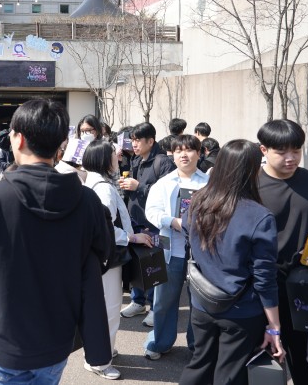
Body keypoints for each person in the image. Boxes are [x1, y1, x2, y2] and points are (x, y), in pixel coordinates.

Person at [0, 99, 113, 384]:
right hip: (57, 341)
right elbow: (102, 258)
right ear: (61, 144)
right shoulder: (88, 201)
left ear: (19, 138)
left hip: (5, 341)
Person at [179, 139, 285, 384]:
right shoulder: (260, 216)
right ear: (252, 170)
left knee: (199, 365)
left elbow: (187, 237)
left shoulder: (197, 202)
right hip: (241, 311)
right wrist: (274, 326)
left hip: (202, 302)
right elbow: (264, 278)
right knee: (229, 375)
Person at [256, 119, 308, 384]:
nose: (291, 158)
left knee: (306, 361)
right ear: (263, 150)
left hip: (303, 286)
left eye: (296, 151)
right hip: (258, 287)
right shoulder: (249, 186)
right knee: (260, 364)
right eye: (282, 151)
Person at [82, 139, 153, 380]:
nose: (118, 155)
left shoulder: (91, 181)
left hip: (98, 257)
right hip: (108, 258)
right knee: (109, 309)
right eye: (114, 153)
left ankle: (102, 350)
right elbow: (106, 229)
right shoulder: (103, 187)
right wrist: (132, 237)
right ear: (104, 158)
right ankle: (100, 361)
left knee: (102, 308)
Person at [143, 135, 209, 360]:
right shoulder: (164, 183)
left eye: (189, 150)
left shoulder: (209, 183)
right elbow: (151, 212)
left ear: (199, 154)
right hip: (167, 246)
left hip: (200, 252)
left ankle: (196, 345)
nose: (184, 155)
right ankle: (160, 342)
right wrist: (172, 221)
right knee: (163, 300)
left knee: (198, 303)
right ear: (172, 155)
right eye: (179, 150)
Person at [119, 122, 175, 324]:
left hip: (155, 224)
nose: (133, 144)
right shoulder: (136, 160)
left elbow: (168, 194)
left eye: (137, 140)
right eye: (132, 140)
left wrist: (139, 186)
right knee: (138, 263)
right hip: (136, 220)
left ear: (150, 141)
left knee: (154, 266)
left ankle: (154, 307)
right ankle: (138, 301)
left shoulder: (163, 162)